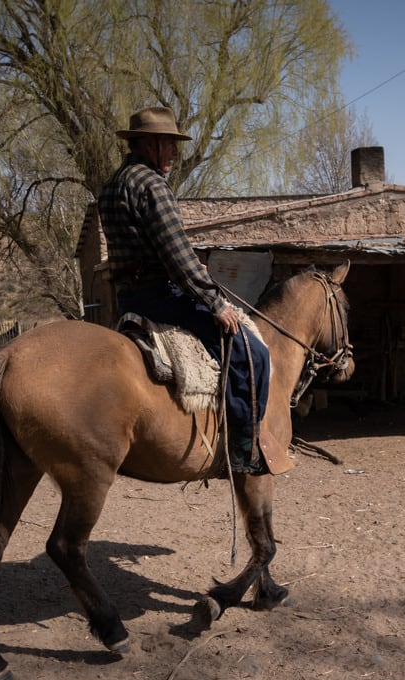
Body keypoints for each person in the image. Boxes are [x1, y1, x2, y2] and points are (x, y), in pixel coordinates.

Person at [98, 106, 270, 473]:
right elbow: (177, 255)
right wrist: (215, 301)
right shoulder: (152, 185)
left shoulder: (113, 185)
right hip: (162, 299)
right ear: (148, 144)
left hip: (127, 299)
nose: (176, 153)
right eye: (170, 145)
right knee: (252, 354)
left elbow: (147, 248)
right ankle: (244, 448)